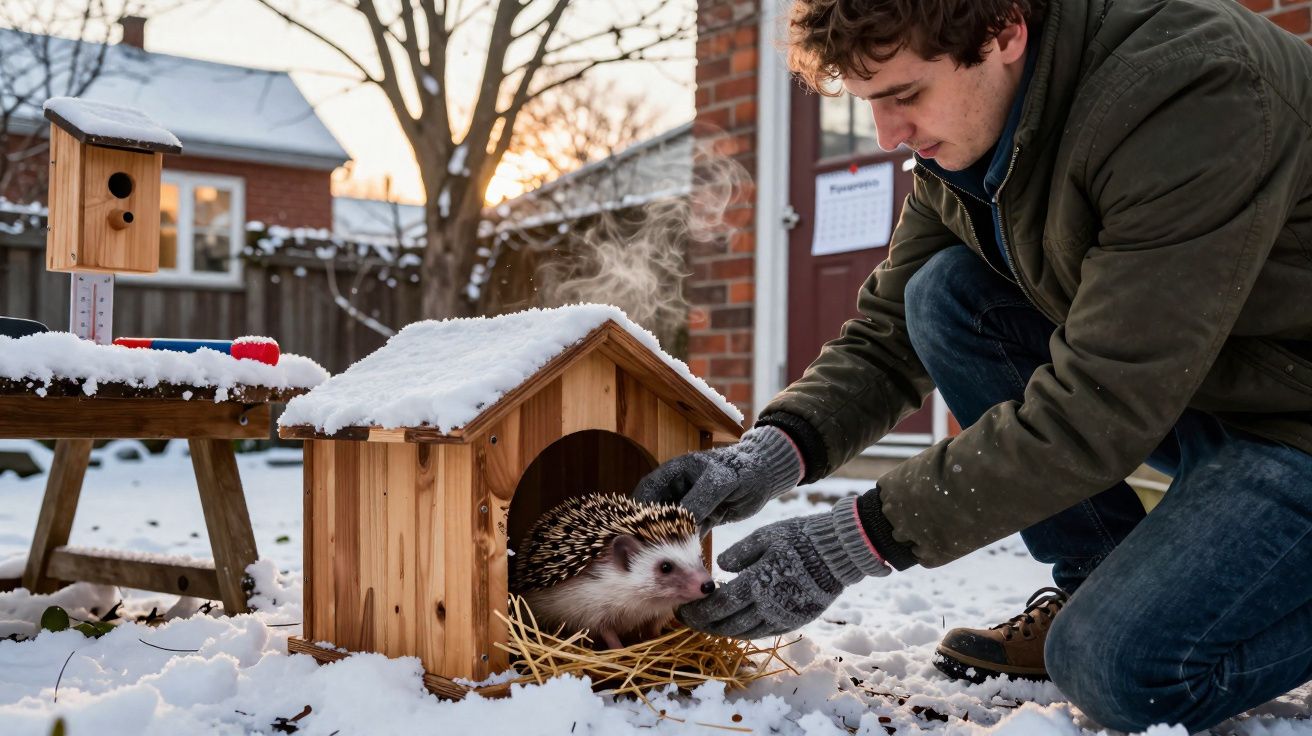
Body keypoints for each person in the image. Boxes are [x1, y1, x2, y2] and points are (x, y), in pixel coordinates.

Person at [634, 0, 1312, 731]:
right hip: (1205, 390)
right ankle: (1095, 578)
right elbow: (890, 333)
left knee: (1120, 668)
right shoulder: (976, 136)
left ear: (1004, 32)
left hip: (1290, 420)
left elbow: (1099, 407)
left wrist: (853, 541)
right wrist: (771, 454)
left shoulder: (1188, 95)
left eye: (905, 95)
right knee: (944, 294)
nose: (888, 135)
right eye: (869, 102)